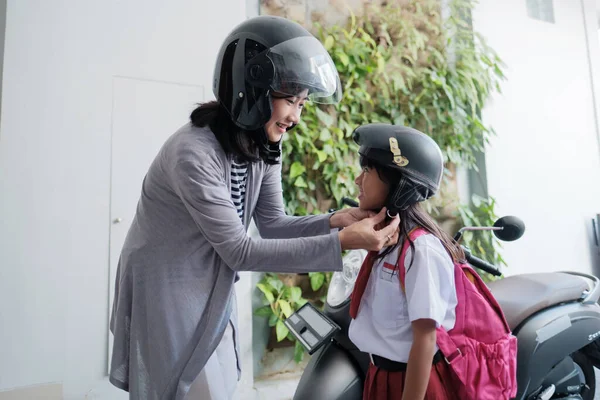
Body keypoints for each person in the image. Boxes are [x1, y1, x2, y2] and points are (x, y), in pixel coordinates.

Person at [108, 16, 400, 400]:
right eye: (290, 101)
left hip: (208, 280)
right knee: (185, 386)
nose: (295, 117)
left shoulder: (262, 146)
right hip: (168, 286)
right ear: (253, 90)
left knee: (220, 379)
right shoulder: (192, 154)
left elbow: (273, 223)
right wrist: (342, 241)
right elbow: (239, 250)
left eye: (302, 104)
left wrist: (335, 220)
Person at [347, 123, 463, 400]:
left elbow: (425, 338)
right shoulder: (386, 241)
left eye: (367, 171)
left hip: (410, 384)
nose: (357, 181)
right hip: (380, 376)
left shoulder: (420, 250)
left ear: (400, 184)